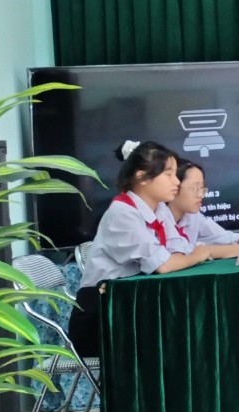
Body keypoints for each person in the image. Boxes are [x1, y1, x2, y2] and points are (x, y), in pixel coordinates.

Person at [67, 140, 214, 357]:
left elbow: (178, 250)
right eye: (169, 174)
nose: (176, 181)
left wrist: (189, 255)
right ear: (142, 177)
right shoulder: (122, 213)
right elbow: (164, 265)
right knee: (180, 339)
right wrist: (199, 255)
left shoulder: (160, 210)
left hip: (134, 308)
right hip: (103, 315)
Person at [162, 159, 239, 260]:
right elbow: (183, 251)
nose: (201, 195)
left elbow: (222, 236)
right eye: (195, 188)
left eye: (202, 188)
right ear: (174, 187)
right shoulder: (161, 217)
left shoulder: (192, 215)